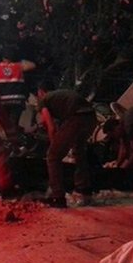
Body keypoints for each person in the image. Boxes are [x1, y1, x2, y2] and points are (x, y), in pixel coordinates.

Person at [36, 80, 97, 208]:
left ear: (40, 92)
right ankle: (84, 190)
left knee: (52, 156)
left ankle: (57, 197)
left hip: (77, 118)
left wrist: (55, 146)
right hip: (91, 117)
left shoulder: (43, 100)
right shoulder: (59, 96)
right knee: (79, 151)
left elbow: (50, 126)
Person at [0, 45, 36, 129]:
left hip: (3, 101)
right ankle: (15, 138)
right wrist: (21, 59)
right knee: (14, 123)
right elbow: (33, 65)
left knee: (6, 124)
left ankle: (9, 139)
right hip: (17, 100)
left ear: (3, 57)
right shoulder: (19, 66)